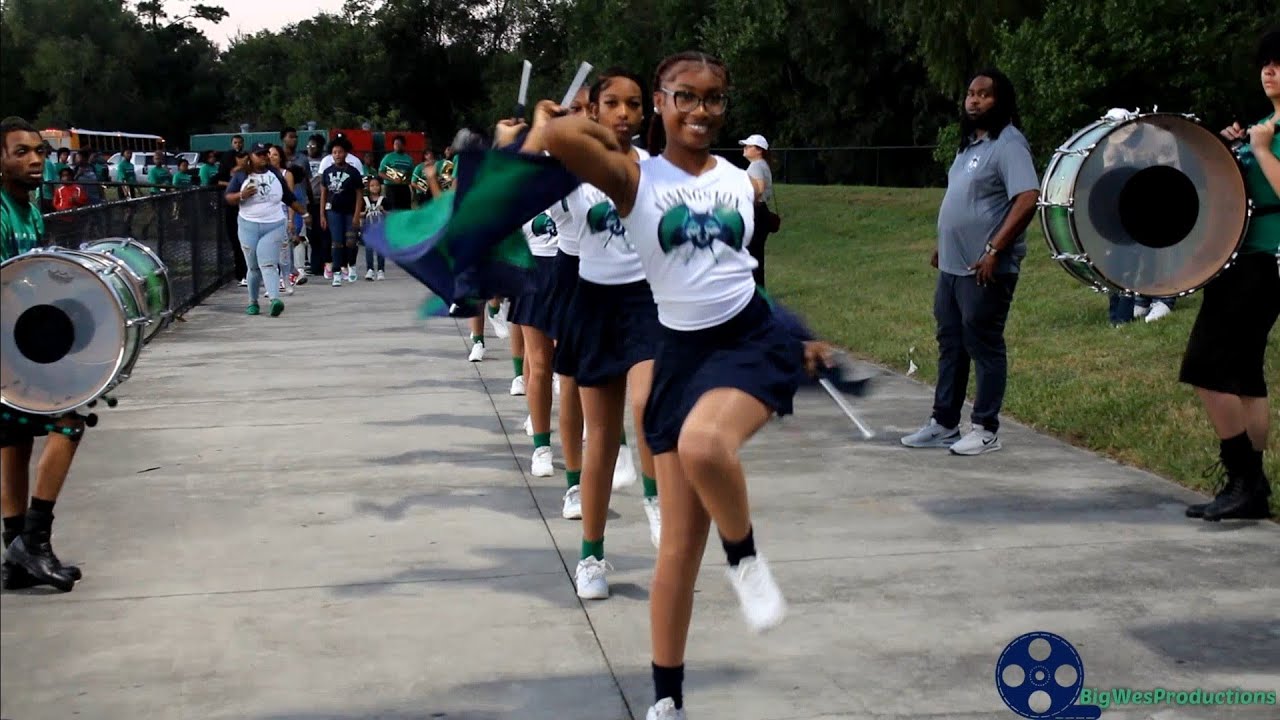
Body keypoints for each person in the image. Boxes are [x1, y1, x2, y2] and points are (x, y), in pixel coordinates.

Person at [528, 51, 835, 720]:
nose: (701, 110)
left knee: (703, 446)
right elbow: (551, 138)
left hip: (747, 341)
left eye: (714, 99)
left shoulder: (741, 181)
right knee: (676, 548)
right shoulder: (634, 177)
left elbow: (738, 273)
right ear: (661, 104)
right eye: (685, 97)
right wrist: (593, 126)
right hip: (678, 352)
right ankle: (667, 699)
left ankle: (746, 557)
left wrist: (794, 329)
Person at [553, 68, 661, 600]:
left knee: (648, 407)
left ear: (646, 113)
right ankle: (591, 557)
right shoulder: (569, 170)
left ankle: (655, 497)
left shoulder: (658, 171)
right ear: (593, 110)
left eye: (634, 105)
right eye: (612, 103)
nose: (624, 113)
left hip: (648, 303)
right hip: (594, 303)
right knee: (600, 440)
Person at [900, 68, 1039, 456]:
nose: (974, 100)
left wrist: (994, 249)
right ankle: (945, 423)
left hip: (985, 267)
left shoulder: (1008, 143)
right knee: (951, 343)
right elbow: (965, 201)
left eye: (984, 94)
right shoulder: (968, 144)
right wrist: (945, 244)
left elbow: (1027, 198)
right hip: (952, 266)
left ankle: (986, 428)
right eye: (970, 93)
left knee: (983, 343)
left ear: (1000, 101)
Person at [1181, 29, 1280, 522]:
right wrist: (1230, 150)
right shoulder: (1263, 124)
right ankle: (1251, 488)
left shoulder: (1270, 135)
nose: (1270, 71)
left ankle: (1245, 480)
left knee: (1204, 366)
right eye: (1266, 63)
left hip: (1266, 262)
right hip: (1238, 259)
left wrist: (1261, 151)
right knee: (1244, 375)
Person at [0, 116, 86, 592]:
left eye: (40, 151)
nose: (35, 159)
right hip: (8, 347)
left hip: (17, 342)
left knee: (13, 441)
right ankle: (35, 542)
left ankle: (14, 553)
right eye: (21, 152)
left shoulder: (30, 207)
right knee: (67, 424)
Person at [225, 142, 308, 316]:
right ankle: (252, 301)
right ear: (251, 156)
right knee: (253, 267)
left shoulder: (276, 174)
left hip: (274, 223)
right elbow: (228, 197)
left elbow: (288, 197)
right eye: (259, 154)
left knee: (268, 263)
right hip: (249, 224)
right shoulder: (241, 176)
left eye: (266, 154)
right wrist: (242, 195)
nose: (264, 157)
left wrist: (305, 214)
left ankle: (275, 299)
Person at [319, 137, 364, 286]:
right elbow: (324, 194)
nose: (337, 155)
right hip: (334, 211)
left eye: (340, 152)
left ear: (345, 154)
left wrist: (357, 214)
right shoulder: (327, 172)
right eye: (334, 152)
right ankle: (336, 272)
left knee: (351, 241)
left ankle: (351, 265)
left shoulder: (353, 172)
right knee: (337, 242)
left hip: (350, 211)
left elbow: (359, 193)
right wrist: (322, 214)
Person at [739, 134, 776, 288]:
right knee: (756, 253)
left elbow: (759, 189)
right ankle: (758, 288)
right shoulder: (762, 165)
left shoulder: (756, 166)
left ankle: (754, 289)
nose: (745, 148)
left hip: (757, 211)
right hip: (762, 212)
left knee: (751, 253)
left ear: (759, 150)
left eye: (748, 146)